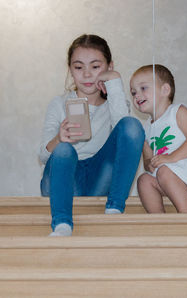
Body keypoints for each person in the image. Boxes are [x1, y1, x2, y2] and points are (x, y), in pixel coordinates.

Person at [39, 34, 145, 236]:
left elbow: (127, 132)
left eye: (95, 67)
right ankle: (62, 224)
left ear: (109, 66)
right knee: (64, 150)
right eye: (79, 67)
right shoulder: (58, 104)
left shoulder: (114, 104)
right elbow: (42, 156)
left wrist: (114, 84)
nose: (87, 74)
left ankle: (114, 208)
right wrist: (59, 139)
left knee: (131, 124)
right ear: (70, 70)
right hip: (66, 178)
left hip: (99, 179)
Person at [130, 64, 187, 213]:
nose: (136, 95)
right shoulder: (144, 129)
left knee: (164, 171)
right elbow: (148, 162)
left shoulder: (177, 112)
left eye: (143, 88)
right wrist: (150, 163)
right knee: (144, 180)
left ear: (165, 90)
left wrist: (170, 158)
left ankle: (186, 214)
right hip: (169, 179)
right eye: (133, 92)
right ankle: (159, 221)